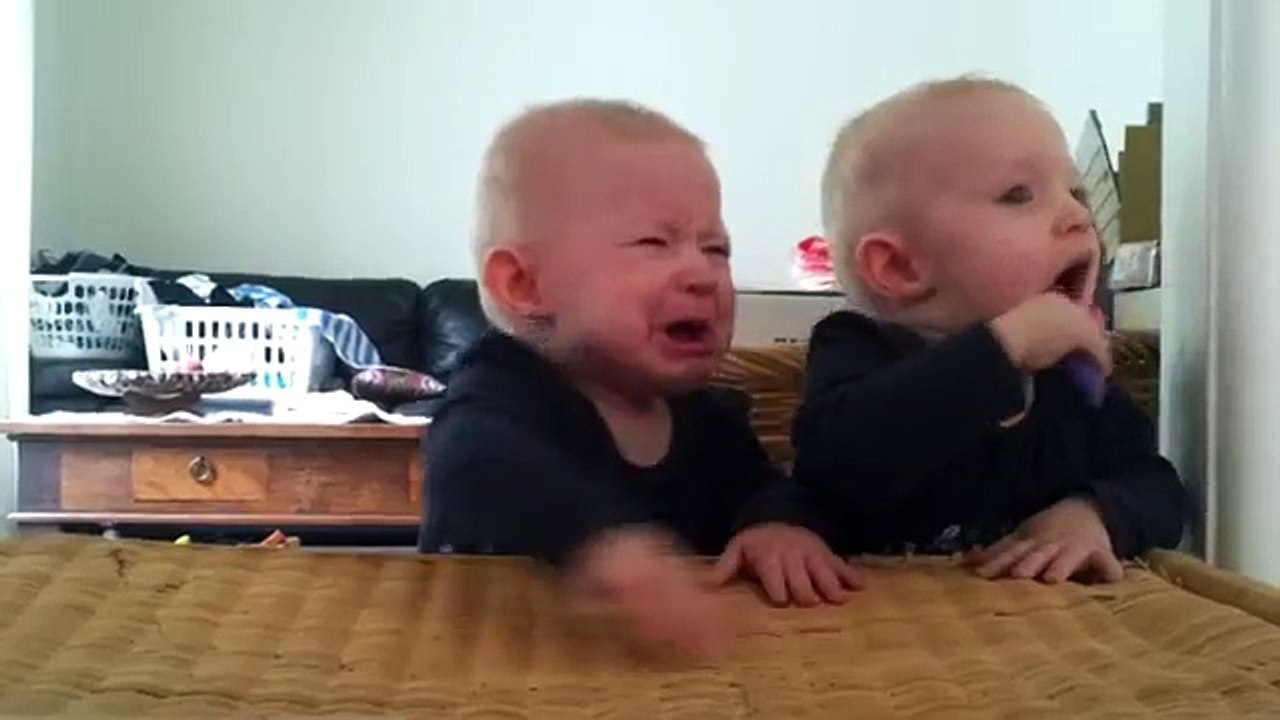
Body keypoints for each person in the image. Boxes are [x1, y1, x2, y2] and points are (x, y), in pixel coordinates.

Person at [419, 98, 862, 656]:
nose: (703, 274)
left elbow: (765, 485)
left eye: (716, 249)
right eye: (654, 242)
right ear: (524, 284)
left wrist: (775, 524)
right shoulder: (500, 393)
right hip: (486, 664)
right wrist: (602, 547)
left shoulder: (705, 417)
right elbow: (478, 464)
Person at [794, 77, 1189, 584]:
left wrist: (1093, 514)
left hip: (1036, 636)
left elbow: (1157, 485)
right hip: (876, 633)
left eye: (1075, 192)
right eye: (1018, 194)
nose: (1077, 216)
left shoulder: (1071, 381)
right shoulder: (855, 346)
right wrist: (1007, 346)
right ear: (900, 268)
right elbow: (831, 464)